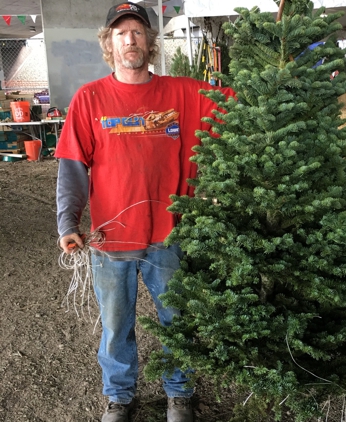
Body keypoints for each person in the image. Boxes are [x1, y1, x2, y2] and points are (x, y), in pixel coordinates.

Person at [55, 3, 234, 421]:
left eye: (137, 31)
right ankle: (119, 396)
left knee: (176, 320)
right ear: (109, 42)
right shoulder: (90, 98)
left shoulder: (184, 94)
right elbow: (72, 169)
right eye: (121, 33)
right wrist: (68, 222)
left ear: (150, 42)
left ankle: (179, 393)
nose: (130, 39)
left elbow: (241, 107)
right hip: (111, 241)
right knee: (117, 327)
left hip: (168, 237)